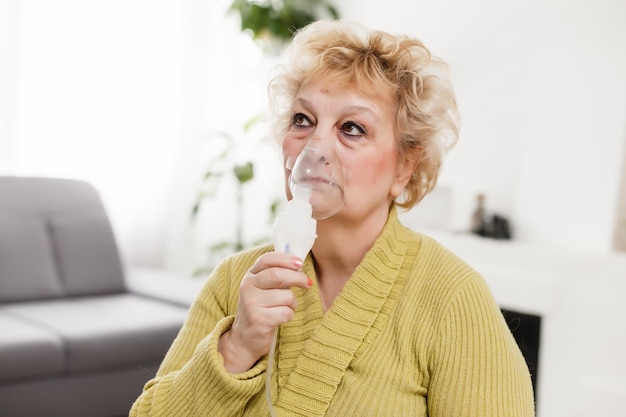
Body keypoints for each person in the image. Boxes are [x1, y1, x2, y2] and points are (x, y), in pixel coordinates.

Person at [130, 20, 534, 417]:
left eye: (352, 128)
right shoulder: (234, 281)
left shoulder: (452, 300)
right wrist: (235, 347)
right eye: (302, 120)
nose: (315, 146)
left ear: (404, 168)